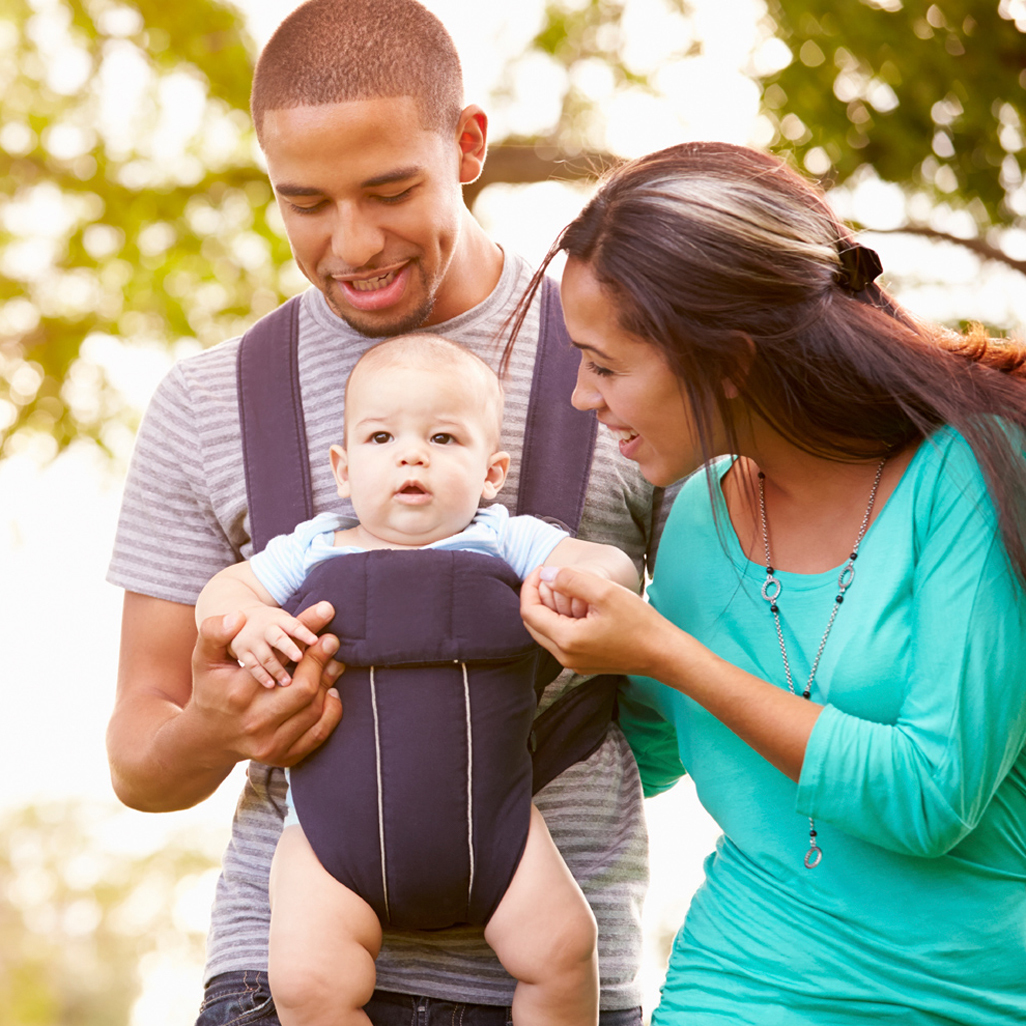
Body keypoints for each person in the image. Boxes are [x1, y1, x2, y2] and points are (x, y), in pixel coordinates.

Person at [105, 3, 669, 1024]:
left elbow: (733, 648)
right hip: (283, 974)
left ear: (468, 145)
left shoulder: (625, 358)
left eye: (390, 190)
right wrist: (212, 726)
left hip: (555, 972)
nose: (351, 243)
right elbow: (140, 764)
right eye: (305, 204)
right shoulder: (207, 405)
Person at [519, 141, 1026, 1025]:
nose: (581, 399)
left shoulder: (975, 474)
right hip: (736, 985)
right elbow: (642, 754)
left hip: (969, 998)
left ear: (730, 360)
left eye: (604, 365)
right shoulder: (699, 522)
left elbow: (931, 797)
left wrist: (668, 653)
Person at [196, 334, 639, 1026]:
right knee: (308, 984)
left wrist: (584, 585)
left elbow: (609, 564)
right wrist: (247, 620)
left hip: (498, 838)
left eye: (442, 437)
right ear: (343, 469)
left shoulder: (507, 538)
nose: (411, 454)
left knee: (562, 948)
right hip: (328, 843)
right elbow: (222, 592)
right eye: (381, 437)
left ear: (491, 472)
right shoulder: (313, 546)